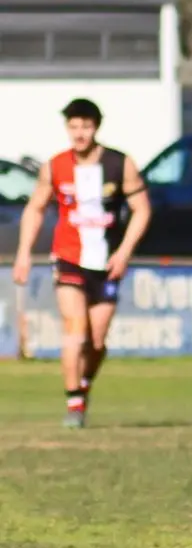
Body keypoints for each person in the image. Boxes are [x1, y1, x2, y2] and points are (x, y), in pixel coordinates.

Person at [11, 98, 149, 429]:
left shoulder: (120, 164)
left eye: (85, 126)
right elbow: (35, 208)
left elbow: (142, 209)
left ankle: (84, 385)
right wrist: (24, 252)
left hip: (107, 263)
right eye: (73, 127)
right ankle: (74, 403)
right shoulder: (54, 166)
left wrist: (125, 251)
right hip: (70, 258)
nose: (79, 134)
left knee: (96, 342)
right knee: (75, 332)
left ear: (96, 127)